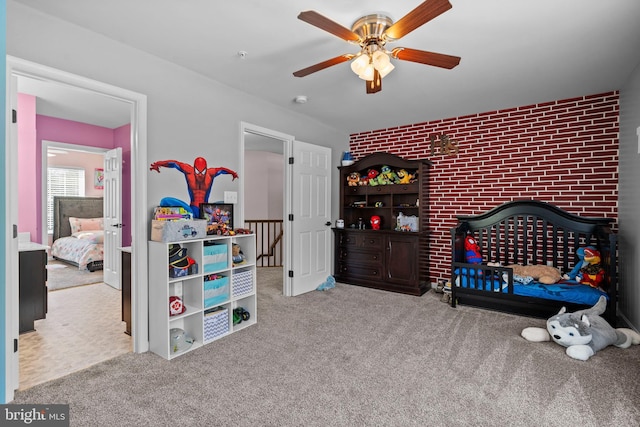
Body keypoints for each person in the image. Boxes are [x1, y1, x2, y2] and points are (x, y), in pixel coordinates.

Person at [150, 157, 238, 217]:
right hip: (191, 209)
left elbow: (222, 170)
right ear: (194, 168)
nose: (200, 175)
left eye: (202, 172)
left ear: (206, 169)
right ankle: (186, 216)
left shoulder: (211, 173)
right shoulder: (188, 171)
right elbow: (174, 164)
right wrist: (158, 164)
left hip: (206, 209)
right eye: (197, 171)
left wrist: (233, 173)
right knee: (164, 200)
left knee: (228, 204)